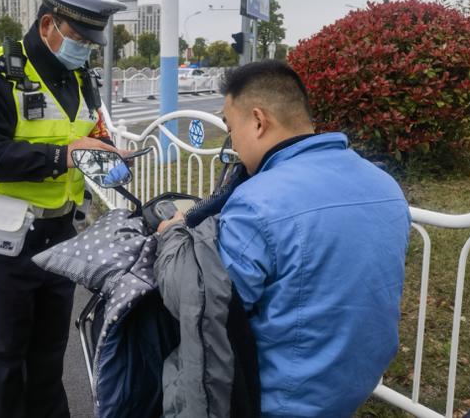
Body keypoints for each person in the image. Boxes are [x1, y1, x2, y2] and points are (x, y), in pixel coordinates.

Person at [159, 60, 411, 417]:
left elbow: (203, 300)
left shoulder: (258, 201)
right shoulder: (384, 185)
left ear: (259, 121)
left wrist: (172, 237)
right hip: (352, 386)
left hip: (282, 399)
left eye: (231, 129)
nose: (231, 143)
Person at [0, 0, 127, 418]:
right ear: (48, 24)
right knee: (1, 354)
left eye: (93, 42)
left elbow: (87, 132)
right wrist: (63, 156)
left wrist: (105, 151)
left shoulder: (79, 76)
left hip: (60, 232)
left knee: (49, 352)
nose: (87, 48)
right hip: (4, 235)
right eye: (80, 38)